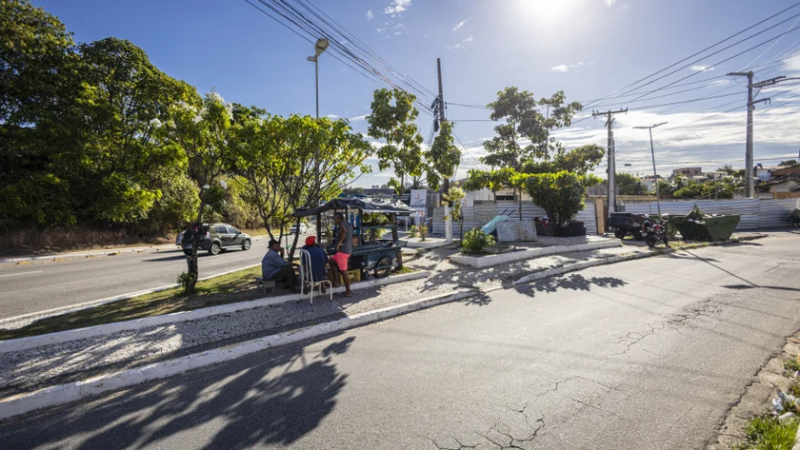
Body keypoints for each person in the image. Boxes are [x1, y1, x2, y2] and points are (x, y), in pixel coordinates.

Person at [329, 212, 354, 297]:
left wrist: (339, 242)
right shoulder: (348, 223)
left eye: (335, 218)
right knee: (331, 262)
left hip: (342, 251)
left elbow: (344, 231)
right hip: (346, 250)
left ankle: (348, 292)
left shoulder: (342, 224)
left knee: (343, 272)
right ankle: (335, 281)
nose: (334, 220)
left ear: (339, 218)